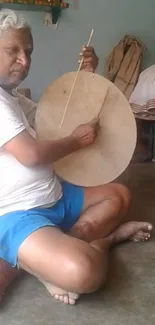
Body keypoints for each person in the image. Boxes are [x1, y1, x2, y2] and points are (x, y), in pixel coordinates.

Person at [0, 9, 152, 306]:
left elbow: (59, 119)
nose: (25, 60)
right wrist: (76, 140)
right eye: (12, 50)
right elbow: (31, 155)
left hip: (54, 197)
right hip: (17, 213)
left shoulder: (15, 98)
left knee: (118, 194)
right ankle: (105, 241)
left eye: (28, 52)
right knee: (85, 273)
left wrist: (86, 76)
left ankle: (52, 253)